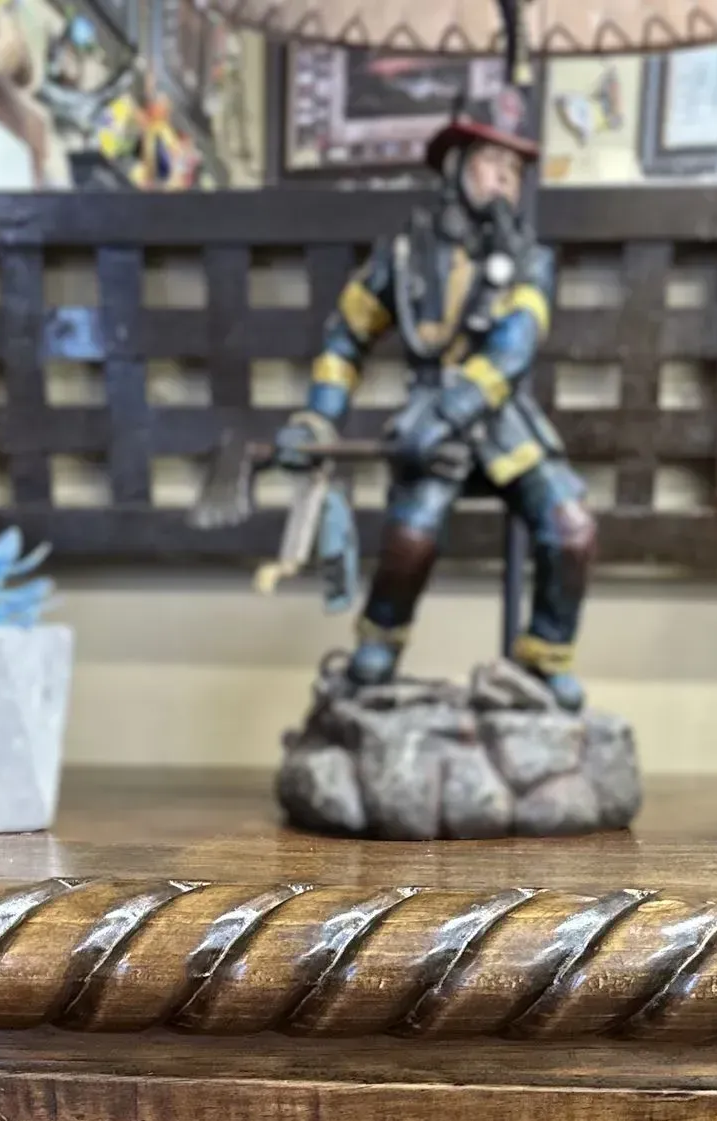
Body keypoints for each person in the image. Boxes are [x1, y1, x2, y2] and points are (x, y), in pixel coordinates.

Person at [274, 84, 596, 710]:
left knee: (571, 529)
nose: (503, 181)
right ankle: (380, 643)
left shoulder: (530, 261)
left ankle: (545, 655)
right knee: (411, 539)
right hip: (428, 422)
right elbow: (346, 338)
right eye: (491, 163)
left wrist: (451, 410)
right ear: (455, 165)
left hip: (501, 421)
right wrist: (318, 418)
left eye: (514, 171)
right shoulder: (400, 256)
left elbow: (514, 347)